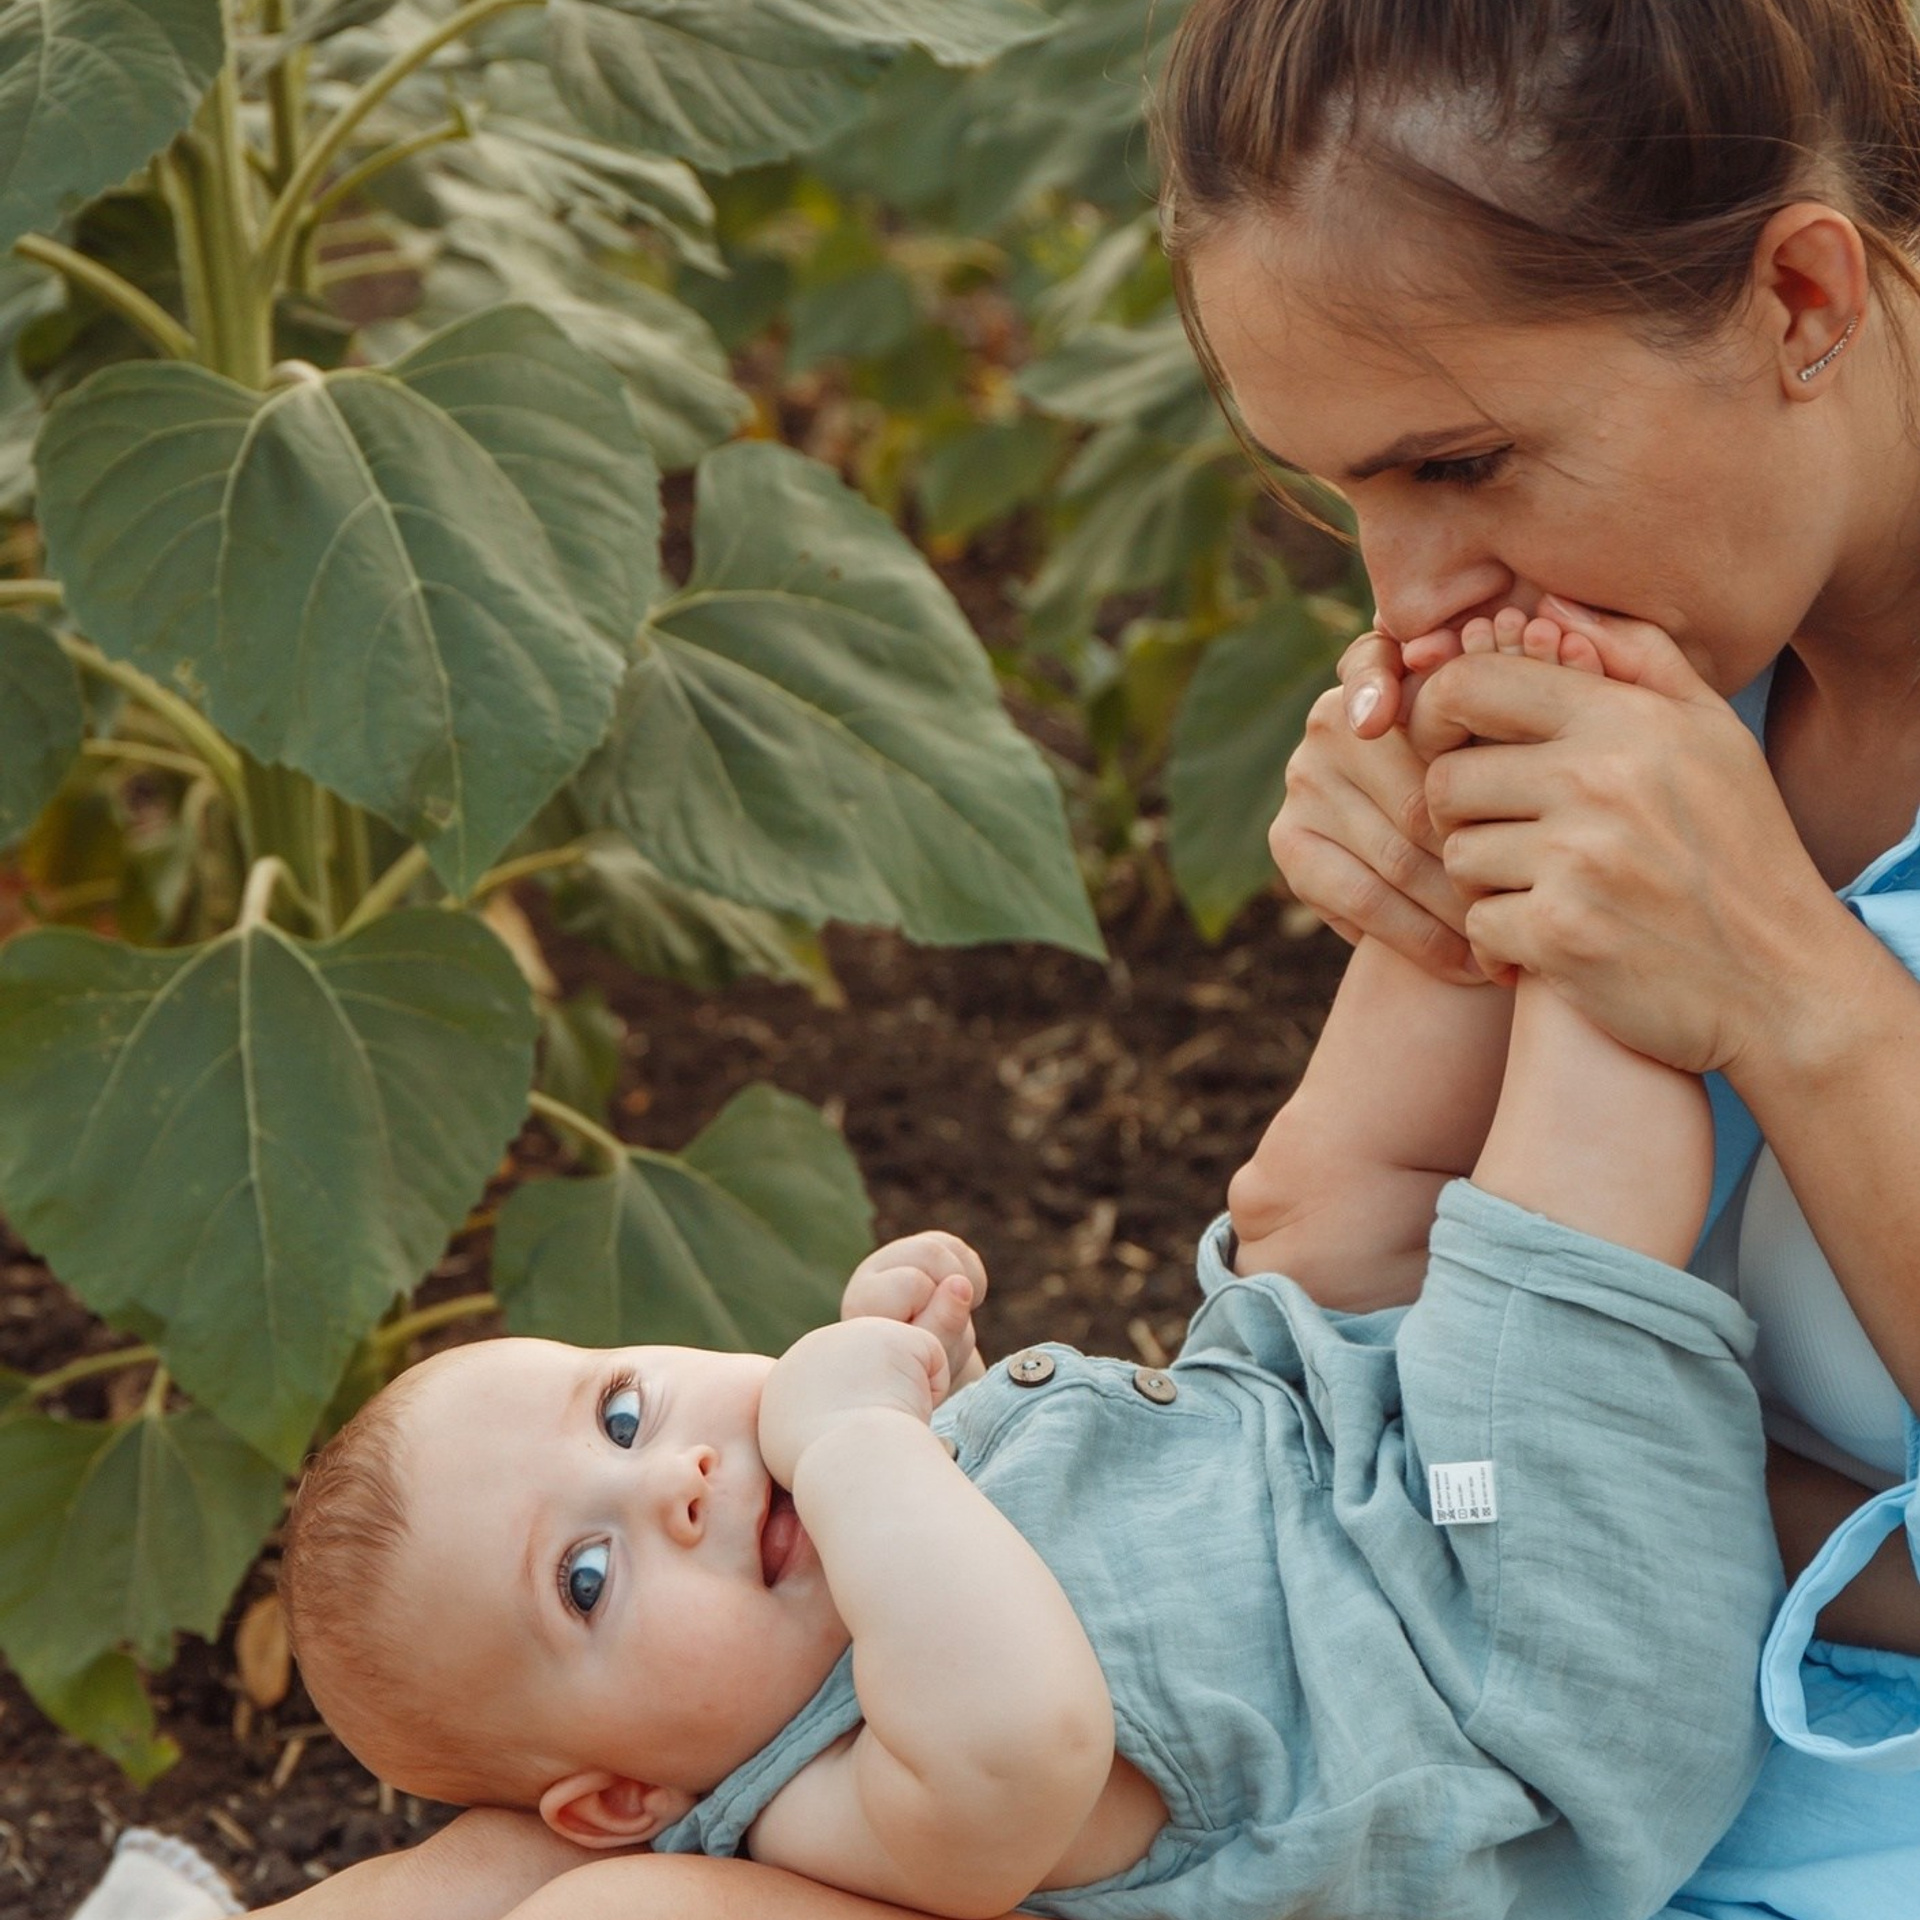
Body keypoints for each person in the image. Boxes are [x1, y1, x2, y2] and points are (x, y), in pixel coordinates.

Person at [265, 624, 1779, 1920]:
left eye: (621, 1414)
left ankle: (1473, 802)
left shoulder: (853, 1549)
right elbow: (1028, 1733)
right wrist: (861, 1444)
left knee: (1305, 1199)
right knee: (1561, 1215)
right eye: (587, 1580)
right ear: (620, 1804)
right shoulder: (836, 1801)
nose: (675, 1482)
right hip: (1520, 1675)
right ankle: (1619, 860)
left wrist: (945, 1390)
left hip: (1342, 1481)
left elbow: (1044, 1532)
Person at [1151, 1, 1920, 1914]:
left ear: (1803, 303)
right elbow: (1354, 1338)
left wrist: (1791, 995)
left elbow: (1474, 1463)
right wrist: (1440, 939)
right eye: (1342, 493)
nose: (1407, 606)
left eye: (1463, 463)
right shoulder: (1680, 656)